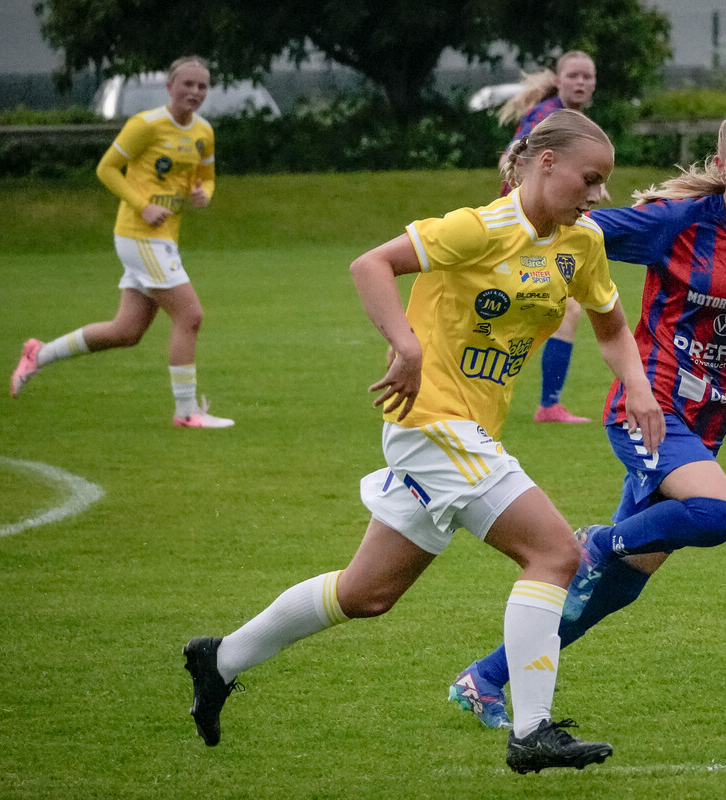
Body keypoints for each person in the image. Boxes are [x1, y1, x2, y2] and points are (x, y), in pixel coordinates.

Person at [181, 109, 666, 774]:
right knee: (556, 553)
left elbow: (611, 325)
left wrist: (636, 386)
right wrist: (406, 346)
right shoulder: (479, 227)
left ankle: (221, 659)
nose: (599, 194)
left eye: (604, 181)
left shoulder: (580, 244)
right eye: (591, 178)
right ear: (545, 163)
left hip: (466, 433)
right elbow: (371, 265)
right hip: (431, 423)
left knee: (366, 594)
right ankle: (532, 731)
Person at [449, 108, 726, 729]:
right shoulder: (678, 221)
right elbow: (576, 225)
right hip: (647, 409)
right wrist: (517, 212)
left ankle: (484, 678)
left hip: (706, 426)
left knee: (617, 586)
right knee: (717, 514)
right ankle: (595, 543)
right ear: (721, 165)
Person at [9, 56, 233, 428]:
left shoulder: (203, 132)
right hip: (140, 235)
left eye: (202, 86)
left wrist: (203, 194)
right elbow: (107, 168)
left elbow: (206, 177)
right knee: (190, 316)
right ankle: (186, 412)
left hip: (164, 238)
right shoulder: (146, 124)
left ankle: (38, 354)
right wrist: (143, 206)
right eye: (188, 84)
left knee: (126, 331)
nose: (195, 92)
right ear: (170, 87)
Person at [498, 51, 605, 424]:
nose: (581, 82)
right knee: (536, 307)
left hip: (546, 227)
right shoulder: (547, 117)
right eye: (573, 75)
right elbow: (515, 160)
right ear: (559, 80)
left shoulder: (575, 122)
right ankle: (546, 404)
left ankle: (549, 405)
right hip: (521, 228)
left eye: (587, 76)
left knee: (565, 307)